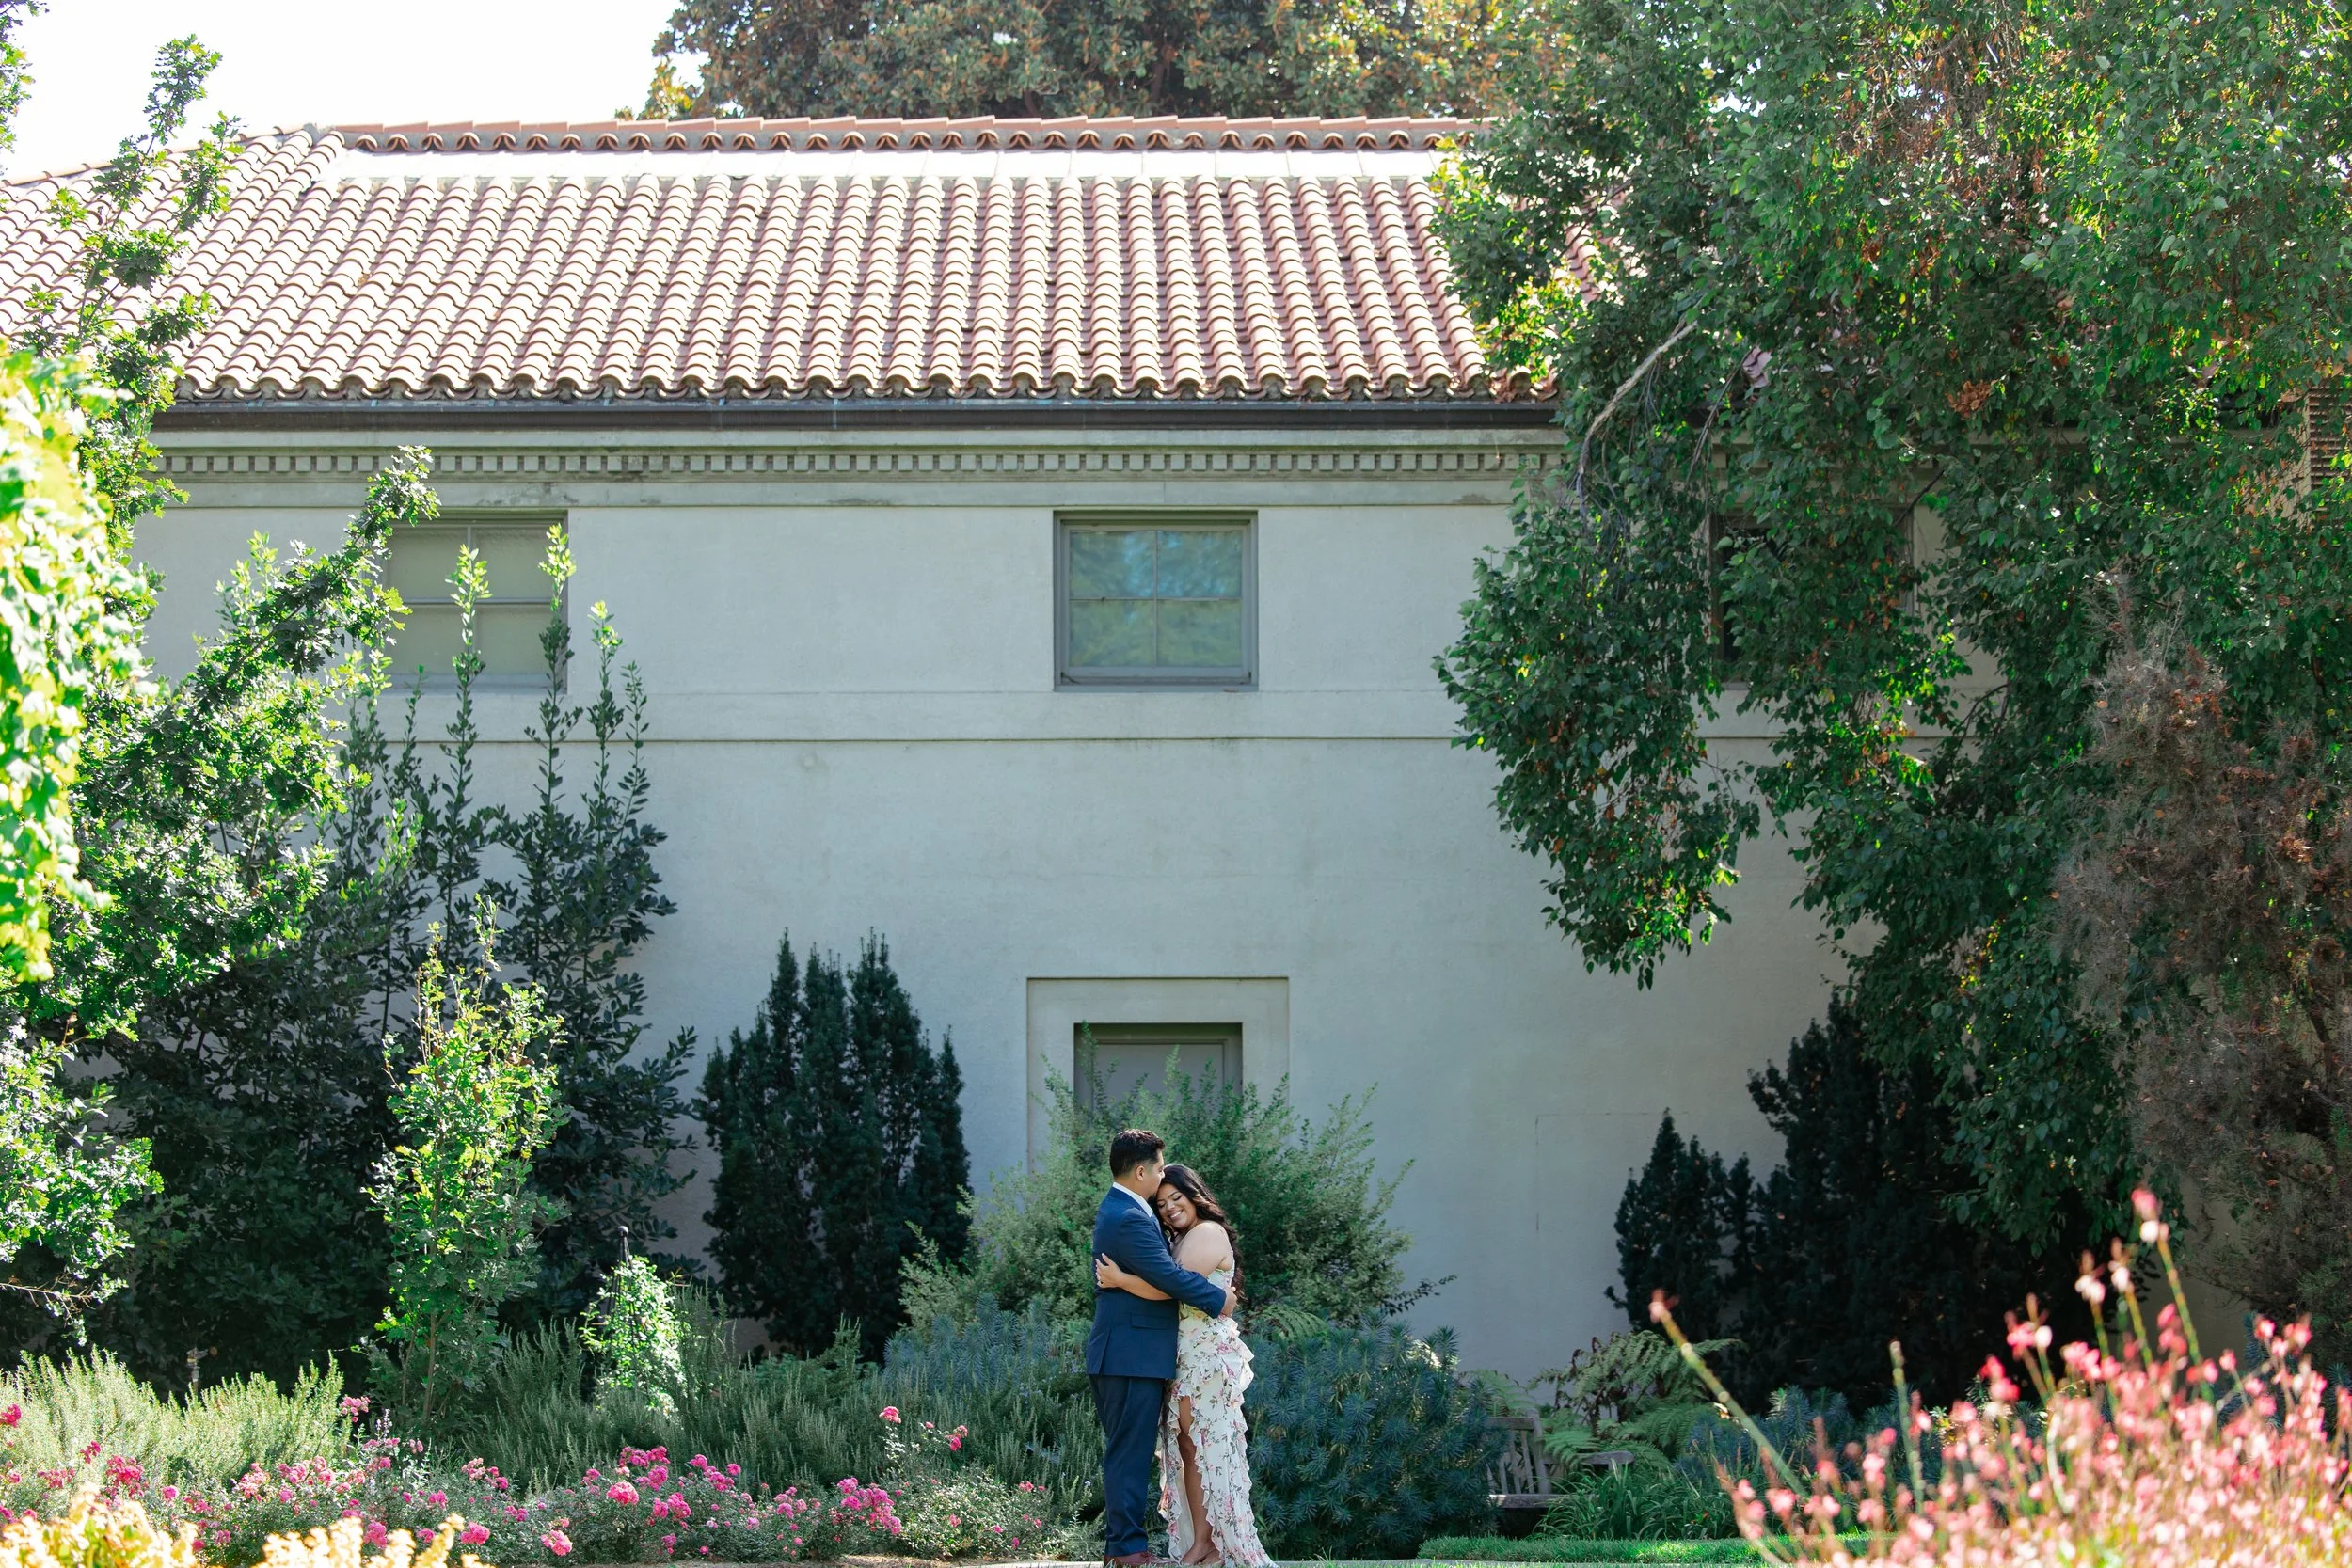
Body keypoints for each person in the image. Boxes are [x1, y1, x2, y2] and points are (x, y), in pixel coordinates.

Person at [1094, 1163, 1276, 1568]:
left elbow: (1172, 1287)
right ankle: (1202, 1543)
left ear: (1195, 1196)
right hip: (1184, 1357)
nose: (1170, 1208)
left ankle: (1211, 1544)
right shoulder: (1181, 1237)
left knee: (1204, 1448)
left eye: (1177, 1198)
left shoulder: (1207, 1233)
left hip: (1205, 1358)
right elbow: (1171, 1281)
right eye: (1162, 1204)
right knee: (1189, 1449)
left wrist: (1122, 1280)